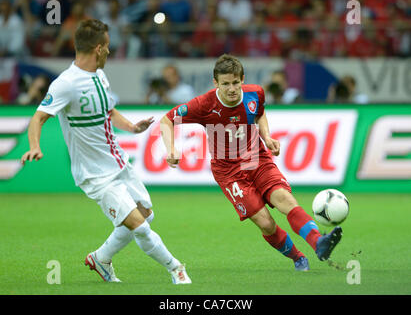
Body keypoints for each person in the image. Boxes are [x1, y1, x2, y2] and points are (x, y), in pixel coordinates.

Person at [20, 19, 191, 284]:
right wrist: (34, 146)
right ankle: (176, 269)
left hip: (119, 163)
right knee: (141, 227)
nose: (110, 52)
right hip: (95, 174)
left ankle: (101, 258)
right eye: (108, 47)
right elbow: (38, 117)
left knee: (145, 214)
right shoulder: (65, 84)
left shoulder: (100, 75)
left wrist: (133, 127)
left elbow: (109, 111)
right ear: (98, 48)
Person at [160, 54, 342, 271]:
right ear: (215, 83)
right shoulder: (204, 104)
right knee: (266, 223)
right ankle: (297, 257)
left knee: (285, 199)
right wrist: (171, 148)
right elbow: (167, 120)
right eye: (225, 84)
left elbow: (259, 113)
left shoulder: (255, 93)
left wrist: (267, 136)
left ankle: (318, 242)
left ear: (242, 79)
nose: (231, 89)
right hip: (229, 172)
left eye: (235, 82)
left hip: (257, 159)